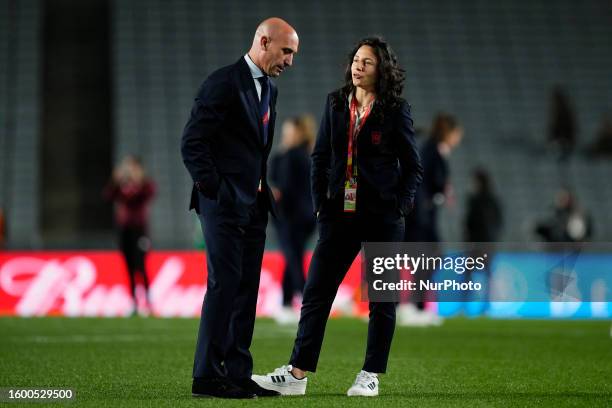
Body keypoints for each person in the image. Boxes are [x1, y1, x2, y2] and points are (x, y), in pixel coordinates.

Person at [252, 36, 423, 397]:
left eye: (367, 62)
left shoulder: (396, 109)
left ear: (382, 71)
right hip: (338, 213)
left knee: (381, 300)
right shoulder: (335, 102)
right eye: (356, 60)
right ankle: (297, 374)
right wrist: (319, 203)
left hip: (382, 216)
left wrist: (400, 205)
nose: (358, 66)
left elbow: (412, 166)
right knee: (316, 293)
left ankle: (370, 374)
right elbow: (320, 157)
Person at [181, 18, 299, 399]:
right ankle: (206, 376)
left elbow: (254, 149)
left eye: (293, 54)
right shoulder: (223, 83)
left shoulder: (270, 90)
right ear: (263, 42)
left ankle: (236, 371)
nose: (290, 61)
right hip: (224, 205)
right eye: (286, 51)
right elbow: (192, 143)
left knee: (246, 289)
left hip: (254, 206)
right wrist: (219, 190)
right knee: (225, 284)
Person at [398, 113, 462, 326]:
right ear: (449, 132)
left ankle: (410, 307)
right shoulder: (431, 150)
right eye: (457, 134)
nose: (458, 139)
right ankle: (411, 307)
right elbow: (423, 181)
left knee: (422, 260)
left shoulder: (436, 150)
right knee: (425, 260)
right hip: (419, 217)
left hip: (423, 216)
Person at [269, 115, 317, 324]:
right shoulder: (308, 154)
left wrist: (275, 195)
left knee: (293, 258)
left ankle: (310, 301)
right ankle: (286, 303)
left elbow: (283, 187)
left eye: (289, 132)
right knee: (293, 258)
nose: (285, 136)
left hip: (289, 216)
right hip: (307, 216)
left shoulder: (288, 156)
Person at [103, 155, 156, 316]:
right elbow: (108, 195)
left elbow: (149, 193)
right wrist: (115, 180)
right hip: (124, 229)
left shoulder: (143, 185)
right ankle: (133, 301)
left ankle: (147, 300)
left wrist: (140, 180)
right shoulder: (121, 186)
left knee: (140, 265)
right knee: (129, 265)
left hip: (139, 230)